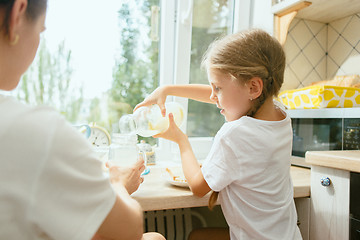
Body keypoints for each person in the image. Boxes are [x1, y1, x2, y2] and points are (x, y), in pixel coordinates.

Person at [0, 0, 165, 239]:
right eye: (40, 31)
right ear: (18, 12)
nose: (37, 43)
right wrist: (118, 185)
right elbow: (128, 231)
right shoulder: (35, 130)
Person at [135, 29, 303, 240]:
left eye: (217, 88)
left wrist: (181, 140)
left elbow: (197, 187)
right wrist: (168, 89)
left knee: (196, 237)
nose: (213, 96)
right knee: (199, 236)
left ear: (254, 87)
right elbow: (228, 95)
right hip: (288, 236)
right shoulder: (280, 114)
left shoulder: (234, 134)